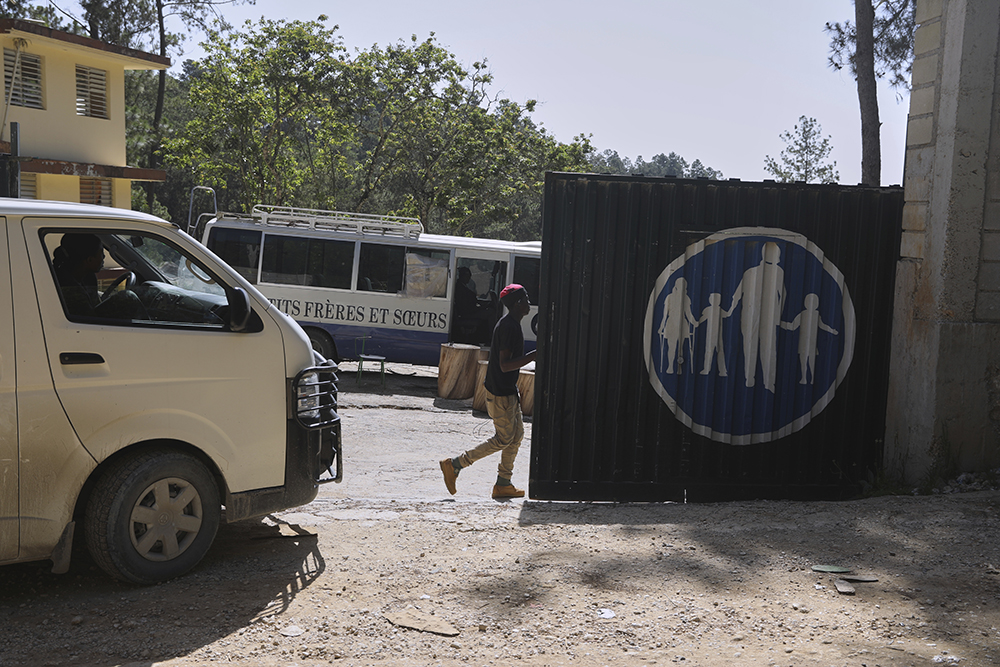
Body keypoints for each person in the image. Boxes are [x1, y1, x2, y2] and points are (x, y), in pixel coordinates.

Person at [440, 283, 536, 499]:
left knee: (517, 436)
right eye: (526, 299)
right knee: (503, 439)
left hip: (507, 391)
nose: (529, 303)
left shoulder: (512, 324)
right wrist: (533, 356)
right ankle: (455, 464)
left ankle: (503, 483)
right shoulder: (508, 326)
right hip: (500, 394)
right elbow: (504, 365)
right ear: (518, 304)